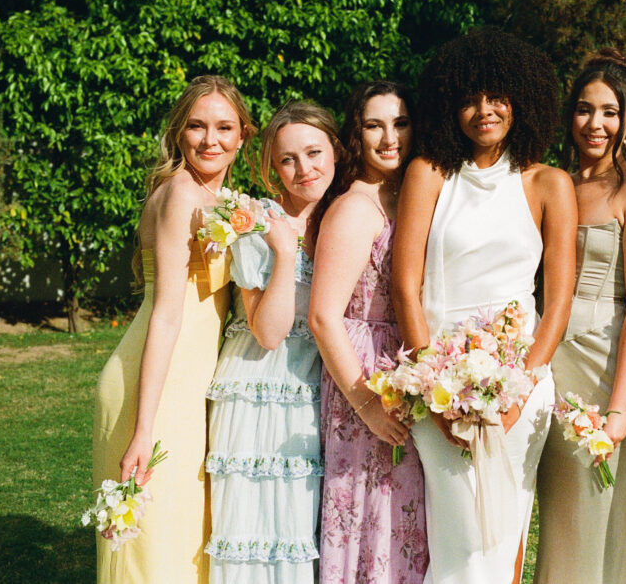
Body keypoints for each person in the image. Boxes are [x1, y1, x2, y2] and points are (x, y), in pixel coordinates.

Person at [392, 27, 576, 584]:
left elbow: (558, 298)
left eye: (496, 96)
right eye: (469, 98)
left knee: (504, 536)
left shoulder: (550, 183)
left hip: (521, 381)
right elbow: (406, 285)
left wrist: (519, 390)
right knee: (460, 541)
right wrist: (438, 392)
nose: (483, 110)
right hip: (440, 381)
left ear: (520, 99)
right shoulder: (429, 173)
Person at [93, 75, 256, 583]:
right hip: (154, 386)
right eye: (197, 126)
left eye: (224, 127)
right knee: (159, 548)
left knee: (184, 535)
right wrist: (145, 429)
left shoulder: (223, 196)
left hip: (190, 386)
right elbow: (166, 311)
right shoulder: (181, 195)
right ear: (179, 132)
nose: (211, 140)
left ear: (244, 135)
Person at [535, 49, 626, 584]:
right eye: (586, 109)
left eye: (610, 111)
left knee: (599, 523)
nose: (596, 123)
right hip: (550, 364)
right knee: (562, 524)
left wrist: (619, 409)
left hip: (605, 366)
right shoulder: (554, 183)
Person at [205, 101, 340, 583]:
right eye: (288, 159)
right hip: (261, 387)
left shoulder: (345, 213)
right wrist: (284, 252)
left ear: (336, 151)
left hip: (313, 387)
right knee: (259, 530)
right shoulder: (256, 220)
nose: (304, 169)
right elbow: (268, 331)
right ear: (271, 167)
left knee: (301, 530)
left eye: (314, 152)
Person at [309, 81, 429, 584]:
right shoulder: (356, 207)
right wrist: (366, 403)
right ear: (356, 132)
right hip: (363, 377)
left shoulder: (405, 196)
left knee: (399, 517)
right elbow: (323, 317)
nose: (389, 137)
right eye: (375, 125)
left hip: (401, 368)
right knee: (367, 514)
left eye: (400, 123)